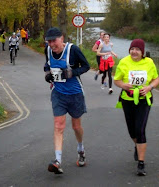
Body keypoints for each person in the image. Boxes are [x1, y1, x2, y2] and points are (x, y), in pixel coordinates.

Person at [44, 27, 90, 174]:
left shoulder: (73, 50)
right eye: (49, 41)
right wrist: (47, 75)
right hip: (58, 93)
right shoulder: (48, 51)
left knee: (76, 127)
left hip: (75, 93)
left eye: (54, 41)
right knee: (59, 125)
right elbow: (47, 65)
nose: (52, 44)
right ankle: (57, 161)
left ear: (62, 38)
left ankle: (81, 148)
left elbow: (86, 66)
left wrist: (72, 72)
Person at [114, 39, 159, 176]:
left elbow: (156, 79)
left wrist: (149, 87)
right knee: (132, 131)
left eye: (137, 49)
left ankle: (141, 163)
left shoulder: (149, 63)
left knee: (140, 130)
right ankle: (137, 145)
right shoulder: (124, 62)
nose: (134, 52)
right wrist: (123, 85)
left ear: (142, 52)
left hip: (144, 100)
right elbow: (117, 80)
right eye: (132, 49)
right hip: (127, 100)